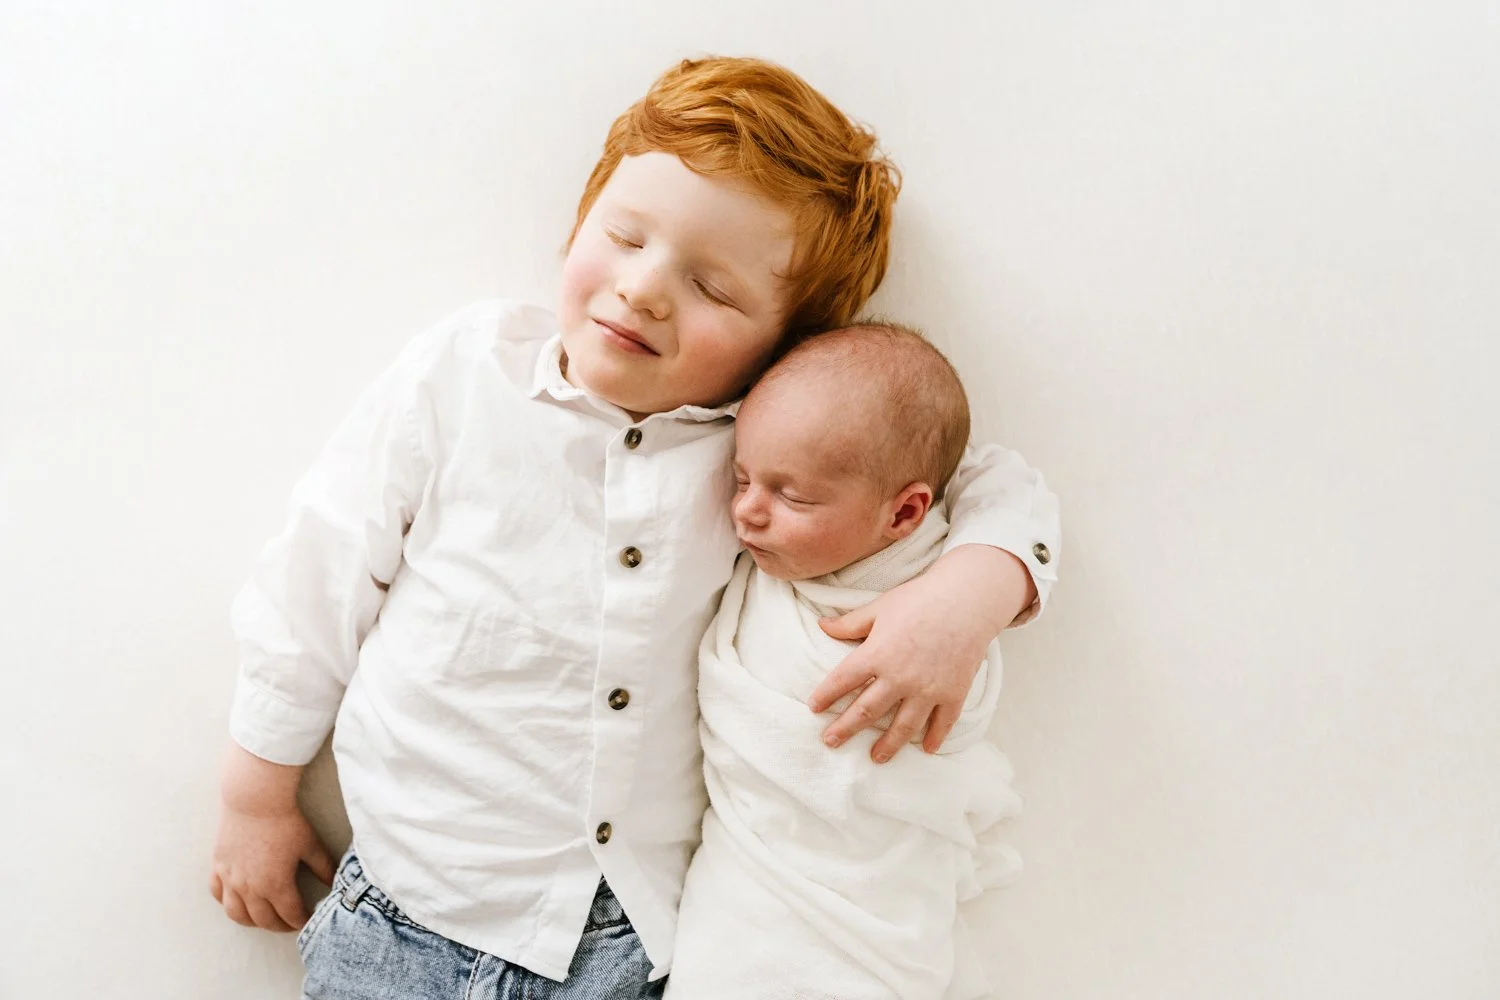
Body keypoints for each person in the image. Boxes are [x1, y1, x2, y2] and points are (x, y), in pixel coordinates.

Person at [210, 56, 1060, 1000]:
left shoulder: (771, 449)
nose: (646, 288)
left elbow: (992, 481)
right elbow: (313, 585)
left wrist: (970, 595)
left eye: (715, 289)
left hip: (624, 941)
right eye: (623, 236)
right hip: (405, 907)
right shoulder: (466, 374)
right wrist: (255, 794)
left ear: (784, 346)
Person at [668, 323, 1024, 1000]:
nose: (747, 512)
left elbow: (954, 712)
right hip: (748, 897)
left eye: (793, 497)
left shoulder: (938, 594)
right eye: (742, 478)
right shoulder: (772, 560)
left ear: (905, 514)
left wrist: (968, 608)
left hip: (869, 916)